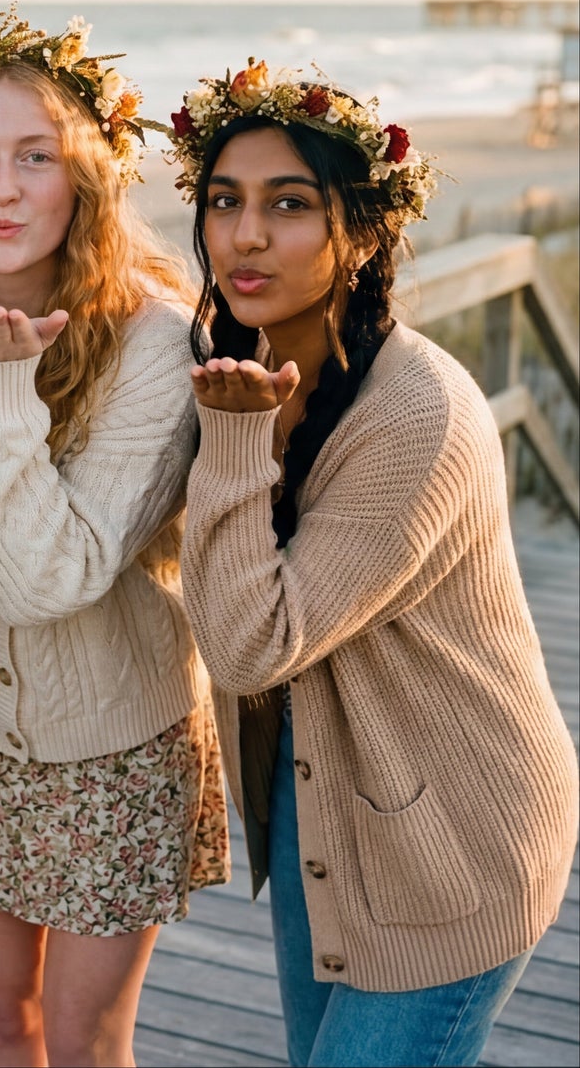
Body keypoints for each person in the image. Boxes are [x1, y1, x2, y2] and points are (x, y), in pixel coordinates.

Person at [168, 61, 579, 1067]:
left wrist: (229, 443)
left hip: (450, 847)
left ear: (358, 233)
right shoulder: (256, 364)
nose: (245, 233)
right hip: (327, 805)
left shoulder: (411, 417)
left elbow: (251, 644)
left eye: (288, 204)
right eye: (223, 200)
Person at [0, 11, 229, 1068]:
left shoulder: (152, 340)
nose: (3, 187)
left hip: (114, 744)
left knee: (79, 1042)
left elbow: (46, 576)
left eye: (35, 157)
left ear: (84, 181)